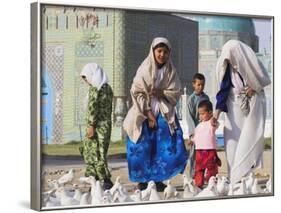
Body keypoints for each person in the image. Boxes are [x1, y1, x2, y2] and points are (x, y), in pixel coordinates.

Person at [123, 37, 188, 192]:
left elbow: (176, 91)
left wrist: (161, 93)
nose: (162, 55)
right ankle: (142, 181)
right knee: (140, 148)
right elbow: (137, 91)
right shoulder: (145, 68)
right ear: (153, 52)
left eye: (165, 52)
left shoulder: (170, 71)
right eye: (159, 51)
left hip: (163, 112)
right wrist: (149, 114)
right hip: (143, 112)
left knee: (165, 147)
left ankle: (158, 180)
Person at [212, 40, 271, 184]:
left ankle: (245, 176)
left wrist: (254, 88)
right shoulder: (227, 68)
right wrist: (217, 113)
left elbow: (262, 80)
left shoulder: (250, 64)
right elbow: (223, 91)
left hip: (250, 110)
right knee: (232, 143)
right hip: (233, 110)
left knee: (248, 139)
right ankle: (235, 177)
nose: (230, 59)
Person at [79, 62, 114, 190]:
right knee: (101, 153)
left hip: (96, 127)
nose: (86, 81)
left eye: (86, 78)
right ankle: (102, 181)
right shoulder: (108, 88)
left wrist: (91, 126)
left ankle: (101, 181)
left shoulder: (95, 89)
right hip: (106, 126)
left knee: (93, 154)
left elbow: (93, 109)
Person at [190, 100, 221, 188]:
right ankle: (198, 183)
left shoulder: (212, 123)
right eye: (199, 114)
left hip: (210, 150)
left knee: (211, 167)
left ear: (210, 113)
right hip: (199, 151)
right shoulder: (198, 126)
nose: (201, 116)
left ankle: (212, 182)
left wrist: (214, 119)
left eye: (203, 113)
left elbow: (216, 123)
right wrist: (192, 140)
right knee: (199, 168)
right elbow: (196, 136)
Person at [186, 73, 210, 179]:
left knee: (205, 154)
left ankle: (202, 176)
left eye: (202, 85)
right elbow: (189, 117)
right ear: (193, 85)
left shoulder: (206, 97)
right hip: (195, 132)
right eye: (198, 84)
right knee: (193, 155)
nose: (201, 87)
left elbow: (209, 113)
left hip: (205, 131)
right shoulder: (191, 99)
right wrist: (192, 134)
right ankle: (192, 177)